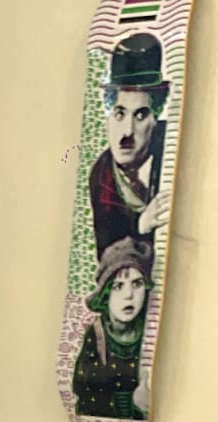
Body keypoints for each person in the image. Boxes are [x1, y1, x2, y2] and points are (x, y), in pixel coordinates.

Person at [89, 33, 172, 259]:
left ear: (155, 118)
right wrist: (141, 226)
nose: (127, 131)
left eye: (140, 115)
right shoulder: (102, 175)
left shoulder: (169, 147)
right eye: (119, 114)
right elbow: (107, 257)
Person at [72, 236, 152, 421]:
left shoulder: (148, 332)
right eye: (118, 286)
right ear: (106, 294)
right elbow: (83, 389)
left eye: (137, 284)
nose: (129, 295)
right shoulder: (97, 334)